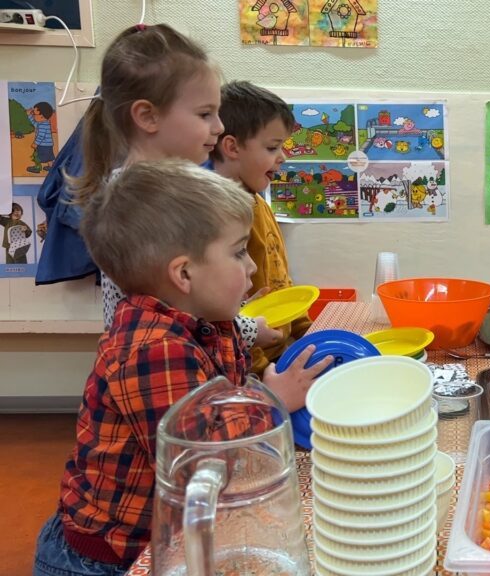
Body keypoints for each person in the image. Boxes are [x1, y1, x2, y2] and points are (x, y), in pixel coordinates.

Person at [32, 161, 333, 576]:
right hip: (105, 559)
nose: (250, 267)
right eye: (238, 251)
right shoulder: (154, 350)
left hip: (159, 535)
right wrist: (273, 400)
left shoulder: (209, 322)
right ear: (185, 273)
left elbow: (222, 402)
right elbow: (205, 466)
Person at [69, 23, 279, 353]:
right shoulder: (144, 201)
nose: (219, 126)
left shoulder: (166, 188)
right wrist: (249, 330)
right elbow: (179, 305)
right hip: (165, 362)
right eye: (205, 114)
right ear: (147, 116)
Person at [210, 80, 311, 374]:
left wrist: (305, 331)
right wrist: (263, 371)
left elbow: (280, 275)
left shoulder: (259, 204)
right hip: (249, 364)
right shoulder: (218, 215)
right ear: (231, 147)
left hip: (277, 353)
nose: (283, 156)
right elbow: (224, 312)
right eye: (272, 147)